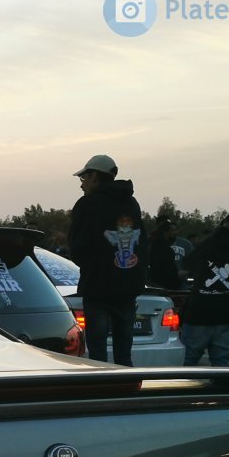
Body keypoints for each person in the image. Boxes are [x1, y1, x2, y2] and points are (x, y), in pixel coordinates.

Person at [66, 153, 145, 365]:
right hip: (128, 287)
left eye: (84, 178)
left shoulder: (88, 204)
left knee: (98, 353)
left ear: (94, 176)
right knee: (123, 352)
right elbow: (142, 243)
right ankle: (126, 390)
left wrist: (93, 265)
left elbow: (77, 246)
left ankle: (102, 390)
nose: (82, 184)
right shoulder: (132, 203)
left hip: (98, 288)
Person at [178, 212, 229, 367]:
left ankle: (181, 389)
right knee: (221, 362)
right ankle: (222, 390)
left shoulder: (205, 246)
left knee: (187, 361)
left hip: (198, 313)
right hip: (227, 316)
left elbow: (183, 271)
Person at [147, 217, 182, 289]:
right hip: (165, 290)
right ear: (165, 232)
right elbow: (170, 274)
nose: (176, 233)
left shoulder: (152, 246)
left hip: (154, 287)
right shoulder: (165, 250)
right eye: (172, 230)